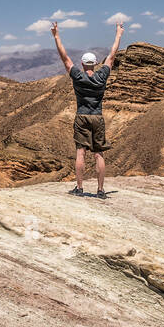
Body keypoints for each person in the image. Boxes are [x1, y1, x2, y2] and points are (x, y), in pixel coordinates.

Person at [52, 20, 122, 198]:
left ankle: (80, 188)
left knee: (80, 153)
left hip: (82, 116)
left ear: (83, 65)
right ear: (96, 63)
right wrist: (119, 34)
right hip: (97, 116)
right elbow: (112, 56)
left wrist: (56, 36)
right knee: (98, 154)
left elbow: (65, 58)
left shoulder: (77, 76)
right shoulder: (102, 75)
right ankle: (100, 190)